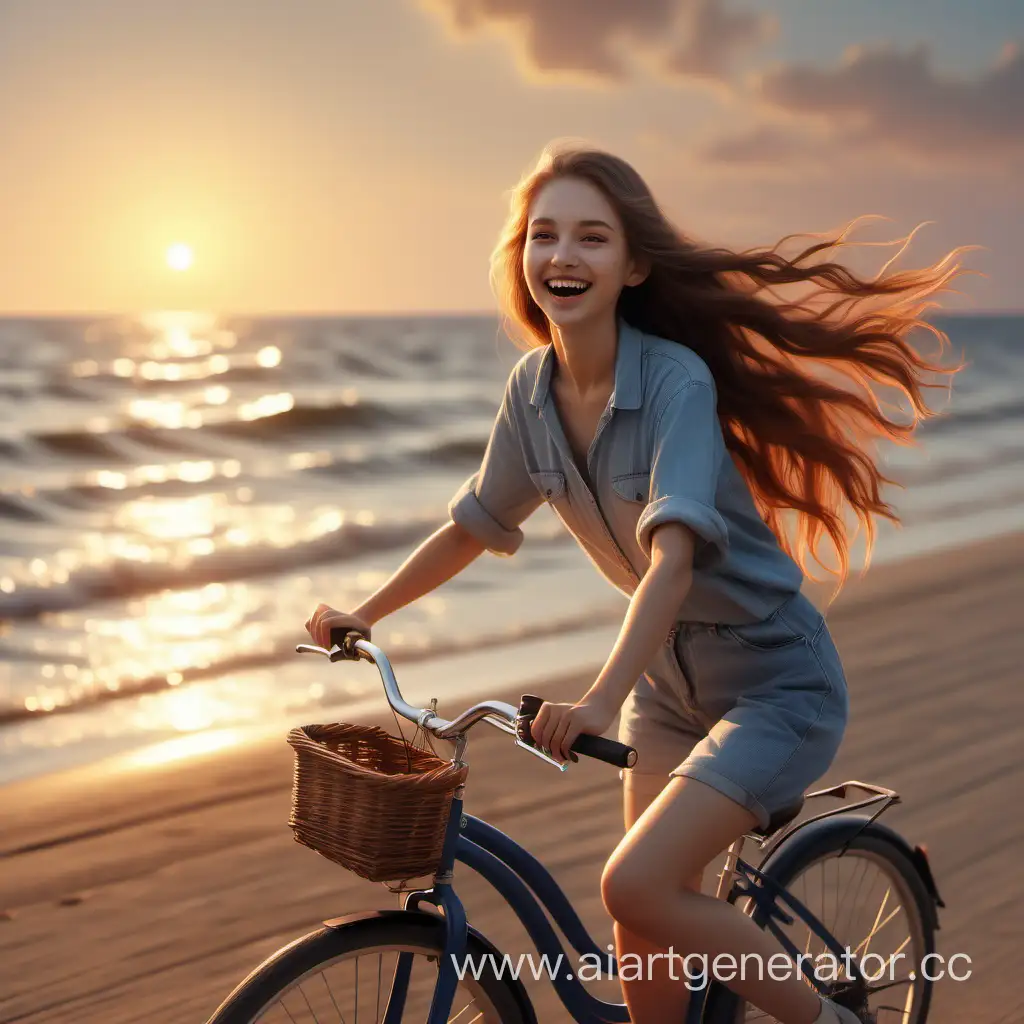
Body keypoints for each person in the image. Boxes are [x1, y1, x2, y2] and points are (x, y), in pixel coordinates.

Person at [305, 140, 968, 1023]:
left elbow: (673, 560)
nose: (562, 258)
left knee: (636, 886)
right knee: (646, 938)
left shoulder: (674, 382)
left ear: (634, 263)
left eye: (591, 238)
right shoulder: (530, 391)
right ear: (522, 259)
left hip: (775, 681)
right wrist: (365, 612)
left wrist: (593, 697)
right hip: (665, 688)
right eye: (544, 237)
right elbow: (473, 525)